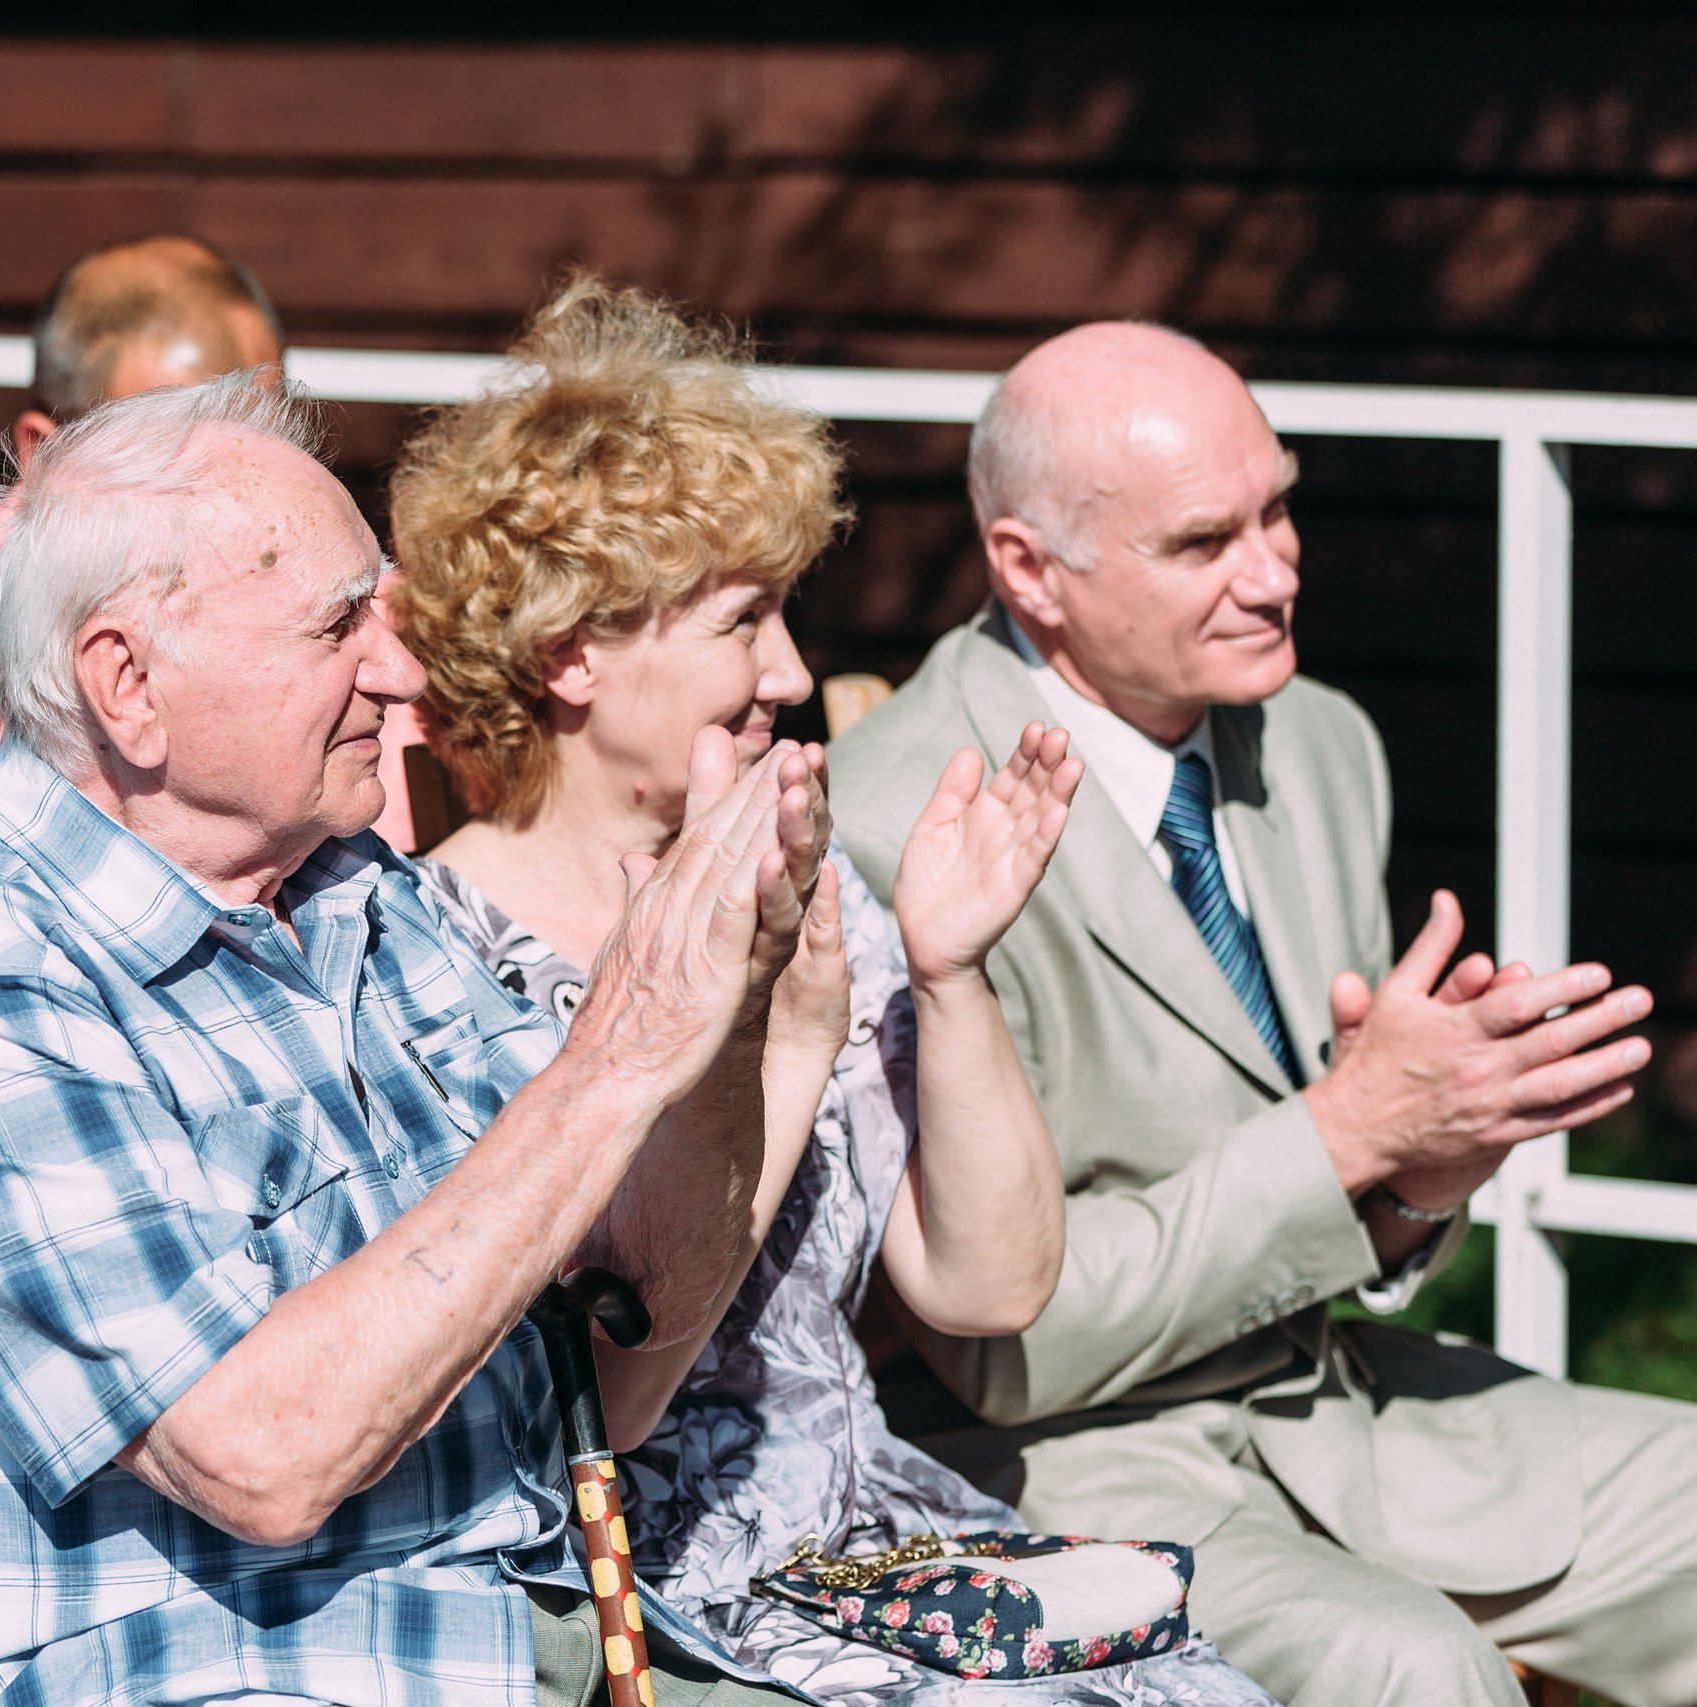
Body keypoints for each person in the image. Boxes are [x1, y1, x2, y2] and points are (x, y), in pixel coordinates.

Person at [0, 371, 838, 1707]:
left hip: (522, 1647)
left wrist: (732, 1007)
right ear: (128, 684)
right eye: (340, 625)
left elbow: (617, 1360)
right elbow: (263, 1455)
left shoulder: (356, 896)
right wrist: (614, 1058)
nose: (397, 672)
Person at [388, 279, 1278, 1707]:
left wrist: (949, 963)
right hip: (644, 1588)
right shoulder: (433, 961)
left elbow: (988, 1284)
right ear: (572, 654)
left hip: (872, 1539)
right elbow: (579, 1427)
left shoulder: (812, 889)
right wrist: (777, 1046)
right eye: (745, 621)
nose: (793, 670)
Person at [829, 320, 1695, 1707]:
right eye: (1202, 541)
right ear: (1028, 573)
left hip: (1337, 1406)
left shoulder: (1326, 743)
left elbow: (1344, 1212)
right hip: (1046, 1470)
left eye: (1279, 506)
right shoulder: (893, 824)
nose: (1275, 569)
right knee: (1419, 1666)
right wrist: (1349, 1130)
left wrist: (1422, 1174)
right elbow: (1005, 1349)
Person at [0, 233, 285, 738]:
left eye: (275, 448)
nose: (239, 496)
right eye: (170, 457)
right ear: (44, 455)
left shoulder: (363, 619)